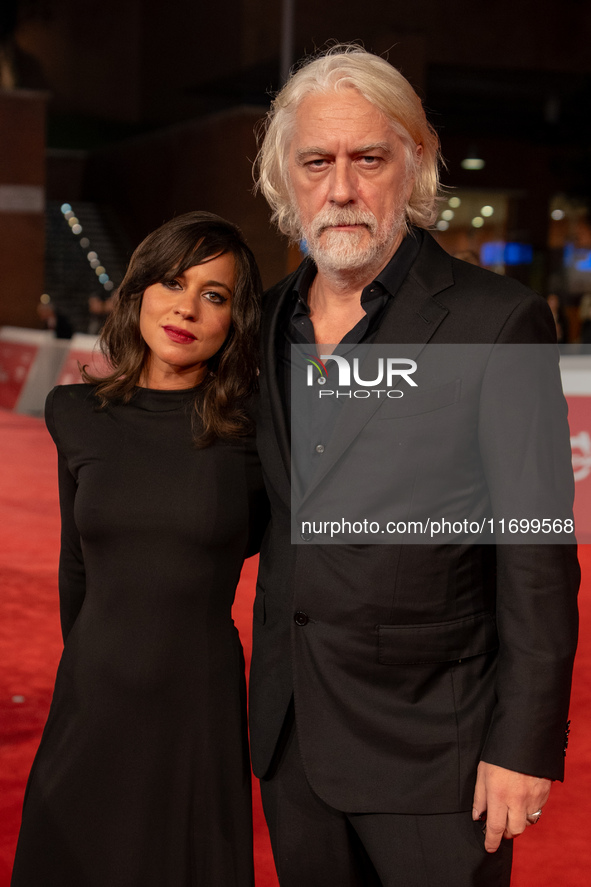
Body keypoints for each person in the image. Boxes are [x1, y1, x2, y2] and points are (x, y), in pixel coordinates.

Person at [250, 46, 580, 887]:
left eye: (369, 158)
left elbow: (536, 553)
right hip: (293, 737)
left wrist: (523, 744)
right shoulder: (265, 320)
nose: (342, 188)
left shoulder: (493, 322)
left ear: (417, 163)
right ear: (285, 177)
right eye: (316, 162)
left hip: (440, 754)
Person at [11, 211, 267, 887]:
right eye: (172, 282)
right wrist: (93, 665)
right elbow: (77, 563)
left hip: (196, 704)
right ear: (138, 293)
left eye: (213, 295)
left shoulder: (255, 432)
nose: (185, 307)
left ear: (233, 320)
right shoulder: (75, 412)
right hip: (93, 694)